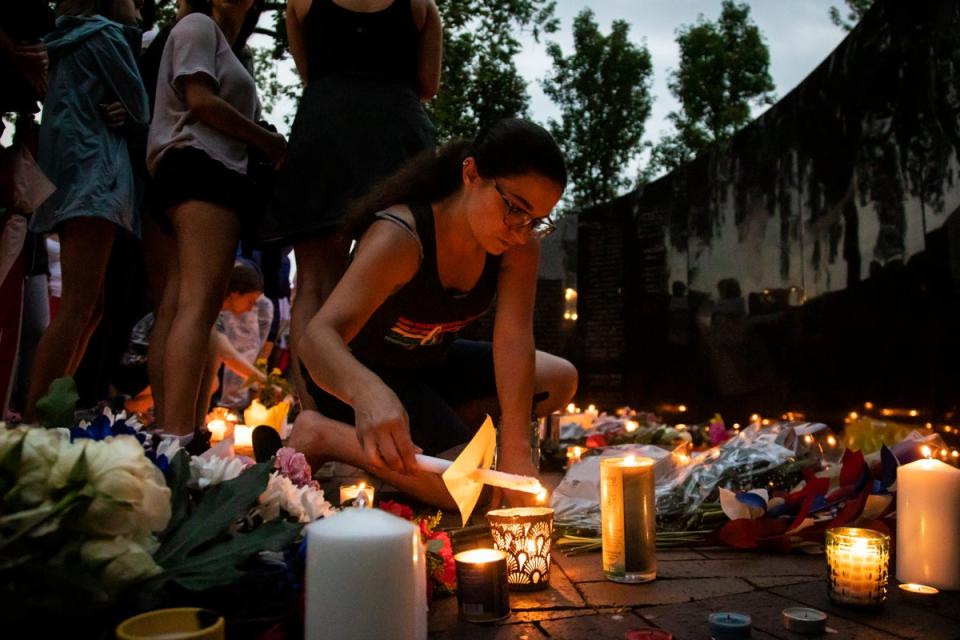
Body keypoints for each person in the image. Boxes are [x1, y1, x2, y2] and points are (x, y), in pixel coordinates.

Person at [290, 119, 578, 510]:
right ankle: (324, 435)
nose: (519, 231)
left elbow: (513, 339)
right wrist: (368, 392)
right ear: (472, 173)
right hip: (362, 377)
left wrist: (516, 447)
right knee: (469, 494)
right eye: (514, 209)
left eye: (535, 221)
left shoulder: (519, 247)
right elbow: (317, 338)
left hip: (431, 368)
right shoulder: (402, 237)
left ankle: (437, 440)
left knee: (558, 379)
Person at [262, 0, 441, 409]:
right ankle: (389, 405)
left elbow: (310, 73)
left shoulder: (300, 3)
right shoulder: (420, 6)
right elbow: (427, 85)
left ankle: (315, 412)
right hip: (398, 138)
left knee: (314, 283)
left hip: (327, 128)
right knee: (394, 280)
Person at [145, 0, 286, 438]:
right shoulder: (198, 26)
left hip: (183, 171)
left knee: (175, 305)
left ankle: (170, 431)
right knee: (199, 306)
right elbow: (200, 101)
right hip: (206, 169)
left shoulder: (220, 42)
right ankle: (178, 436)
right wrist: (268, 142)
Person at [25, 0, 149, 420]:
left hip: (70, 173)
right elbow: (140, 104)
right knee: (80, 304)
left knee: (91, 305)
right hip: (98, 177)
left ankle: (53, 405)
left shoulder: (61, 41)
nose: (140, 7)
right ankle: (36, 416)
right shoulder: (105, 35)